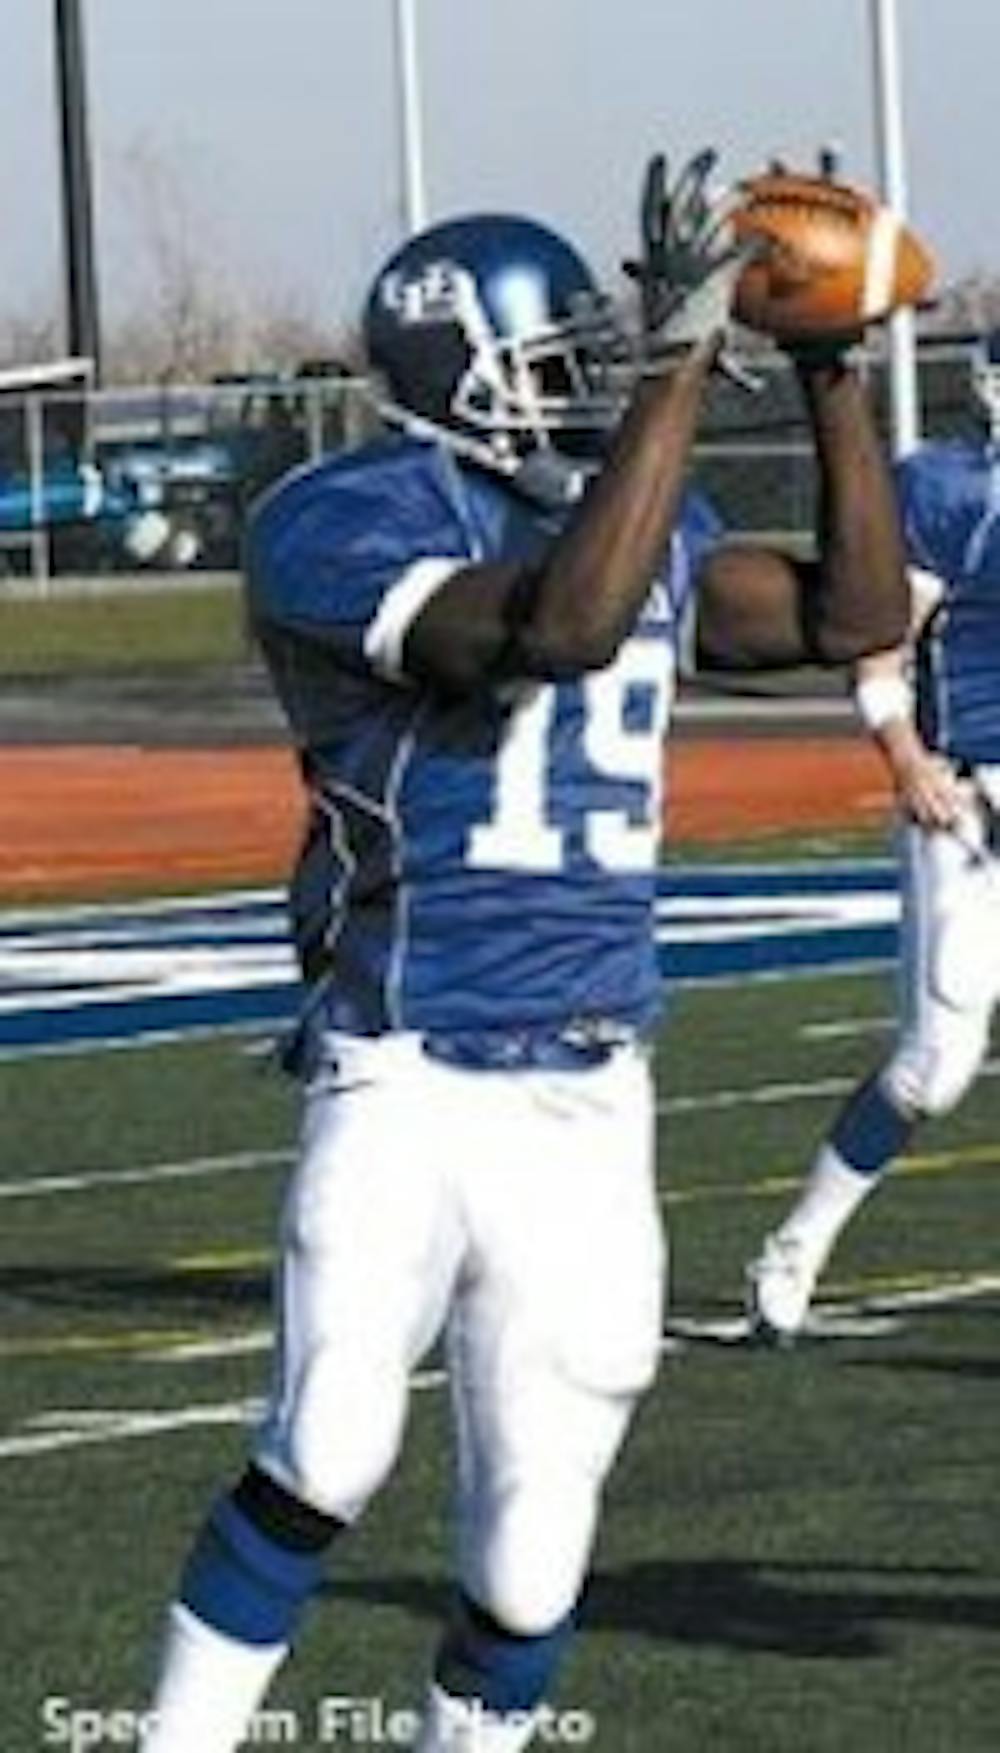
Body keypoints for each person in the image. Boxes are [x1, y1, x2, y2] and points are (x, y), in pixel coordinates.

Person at [140, 152, 908, 1753]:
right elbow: (559, 627)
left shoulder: (635, 516)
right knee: (331, 1444)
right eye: (553, 363)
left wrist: (830, 372)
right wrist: (682, 373)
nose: (588, 389)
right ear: (456, 372)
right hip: (408, 1067)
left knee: (537, 1544)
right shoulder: (341, 519)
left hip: (590, 1090)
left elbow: (851, 618)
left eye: (600, 358)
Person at [746, 330, 1000, 1343]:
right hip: (969, 796)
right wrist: (904, 758)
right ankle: (795, 1247)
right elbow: (879, 643)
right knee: (934, 1065)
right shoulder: (949, 491)